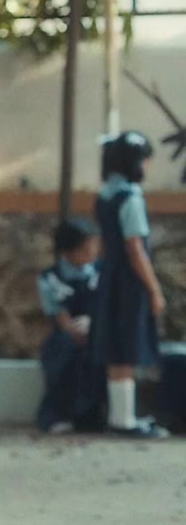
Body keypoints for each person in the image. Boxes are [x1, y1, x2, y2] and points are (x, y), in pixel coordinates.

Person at [90, 131, 170, 438]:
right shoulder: (131, 198)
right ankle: (124, 422)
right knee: (126, 347)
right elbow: (135, 248)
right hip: (128, 281)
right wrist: (154, 289)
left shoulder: (105, 196)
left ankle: (119, 416)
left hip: (109, 276)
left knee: (115, 346)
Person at [35, 219, 105, 434]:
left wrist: (93, 324)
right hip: (66, 333)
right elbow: (58, 312)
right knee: (64, 355)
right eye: (85, 249)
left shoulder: (101, 272)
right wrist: (73, 331)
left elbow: (106, 305)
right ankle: (55, 415)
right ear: (67, 251)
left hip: (97, 330)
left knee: (97, 356)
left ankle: (91, 416)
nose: (92, 253)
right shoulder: (50, 278)